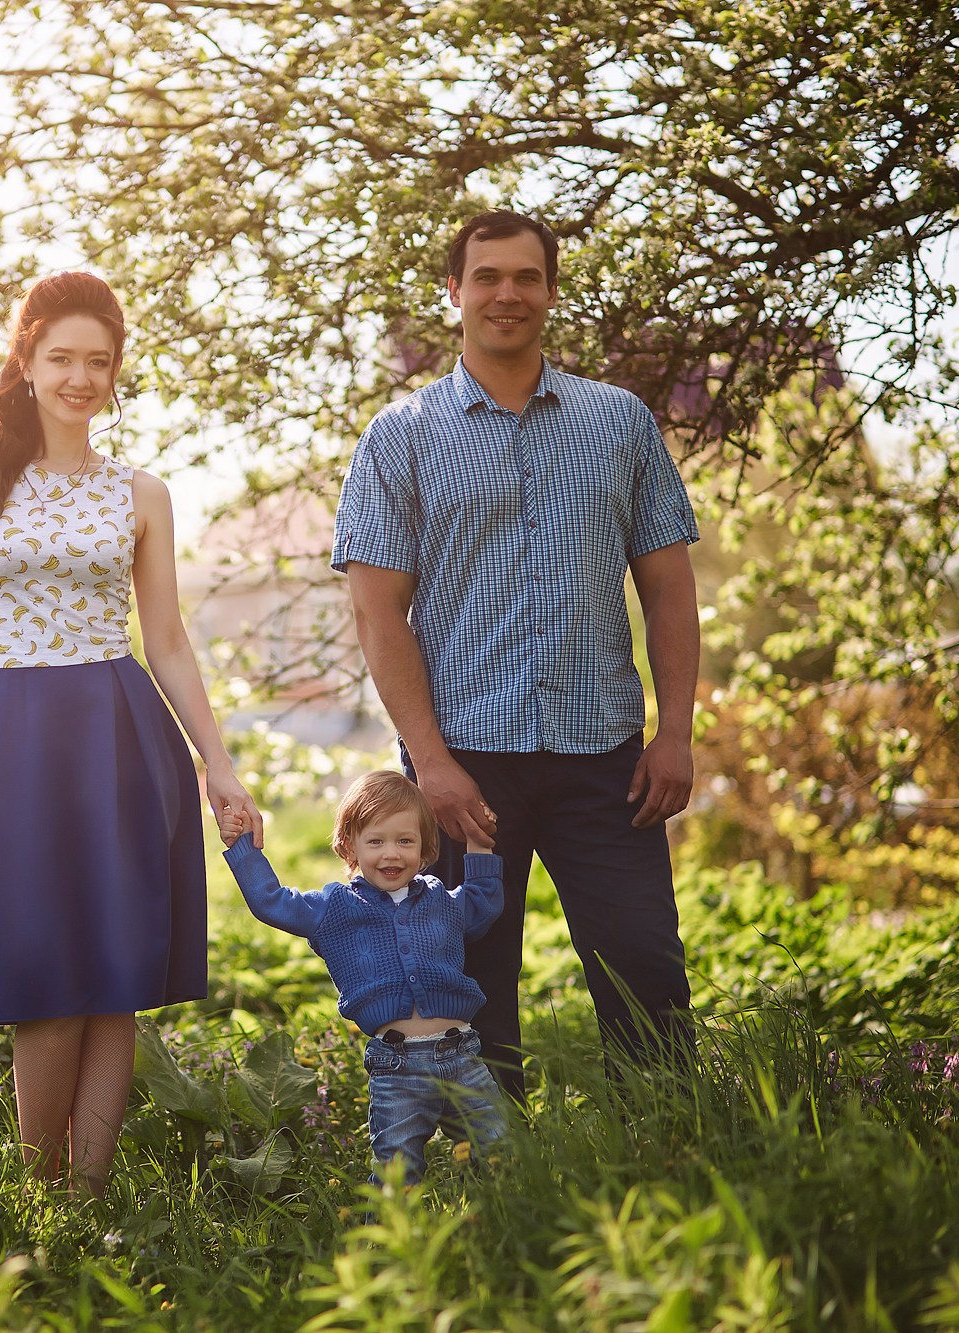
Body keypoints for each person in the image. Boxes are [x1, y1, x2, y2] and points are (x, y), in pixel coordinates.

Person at [333, 210, 702, 1101]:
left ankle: (666, 1144)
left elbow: (670, 588)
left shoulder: (618, 423)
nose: (507, 294)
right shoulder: (403, 435)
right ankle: (489, 1174)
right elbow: (380, 615)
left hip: (605, 760)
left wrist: (676, 732)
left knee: (645, 967)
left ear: (550, 291)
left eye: (526, 277)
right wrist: (431, 766)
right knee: (465, 985)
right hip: (462, 769)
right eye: (487, 276)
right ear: (453, 293)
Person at [0, 272, 263, 1197]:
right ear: (26, 359)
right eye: (62, 357)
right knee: (41, 974)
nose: (80, 377)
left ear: (115, 373)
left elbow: (167, 642)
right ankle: (39, 1202)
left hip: (122, 739)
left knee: (116, 975)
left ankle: (89, 1196)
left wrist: (218, 763)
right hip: (16, 743)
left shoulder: (140, 493)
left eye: (98, 362)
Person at [218, 771, 507, 1183]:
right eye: (376, 841)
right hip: (398, 1066)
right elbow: (272, 902)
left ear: (426, 847)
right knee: (397, 1168)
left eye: (405, 841)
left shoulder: (441, 899)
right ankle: (389, 1244)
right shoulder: (334, 908)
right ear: (350, 845)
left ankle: (500, 1230)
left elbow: (483, 902)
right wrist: (242, 848)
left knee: (497, 1149)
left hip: (461, 1056)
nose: (392, 854)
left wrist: (479, 844)